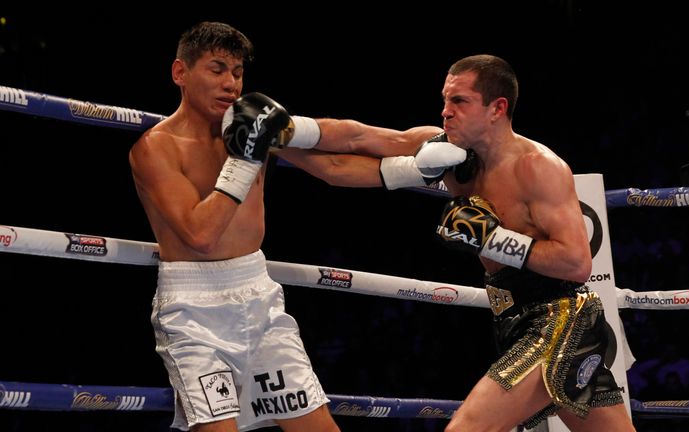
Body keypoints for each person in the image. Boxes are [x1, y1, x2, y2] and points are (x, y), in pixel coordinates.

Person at [128, 22, 463, 432]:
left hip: (257, 295)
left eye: (237, 72)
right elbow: (200, 235)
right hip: (194, 310)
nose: (230, 83)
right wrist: (245, 159)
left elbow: (338, 162)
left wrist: (421, 161)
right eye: (217, 69)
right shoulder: (154, 149)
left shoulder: (250, 122)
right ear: (180, 73)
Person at [430, 54, 636, 431]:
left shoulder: (537, 165)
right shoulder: (453, 155)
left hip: (556, 322)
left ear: (497, 108)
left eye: (458, 101)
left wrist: (493, 240)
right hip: (514, 319)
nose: (445, 112)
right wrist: (295, 135)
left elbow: (577, 263)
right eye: (445, 100)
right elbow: (360, 141)